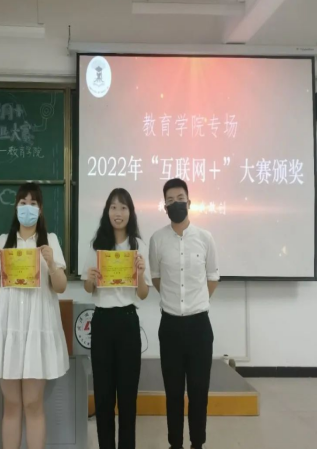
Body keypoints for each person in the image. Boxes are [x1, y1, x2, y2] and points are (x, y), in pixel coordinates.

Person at [0, 183, 69, 450]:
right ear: (15, 207)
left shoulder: (50, 240)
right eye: (23, 203)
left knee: (32, 403)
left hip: (37, 327)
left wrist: (52, 264)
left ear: (40, 209)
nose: (27, 208)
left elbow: (61, 286)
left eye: (33, 203)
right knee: (11, 404)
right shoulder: (3, 241)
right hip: (9, 327)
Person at [150, 179, 220, 450]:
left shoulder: (205, 238)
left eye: (180, 198)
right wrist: (175, 302)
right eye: (170, 200)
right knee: (173, 392)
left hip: (199, 325)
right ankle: (175, 444)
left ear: (189, 202)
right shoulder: (157, 240)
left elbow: (212, 278)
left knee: (199, 392)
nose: (175, 203)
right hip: (170, 326)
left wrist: (194, 302)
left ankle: (197, 443)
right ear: (165, 207)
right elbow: (157, 279)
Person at [83, 188, 152, 450]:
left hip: (127, 321)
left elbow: (143, 294)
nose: (118, 213)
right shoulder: (97, 245)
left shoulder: (138, 246)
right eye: (113, 207)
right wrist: (90, 279)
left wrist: (141, 275)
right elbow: (88, 289)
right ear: (107, 211)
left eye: (123, 207)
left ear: (130, 212)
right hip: (102, 321)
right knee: (103, 396)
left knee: (127, 397)